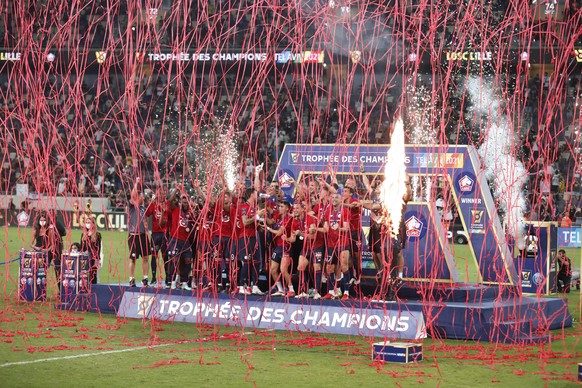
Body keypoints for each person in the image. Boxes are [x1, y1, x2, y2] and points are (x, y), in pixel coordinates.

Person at [166, 186, 196, 290]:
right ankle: (173, 282)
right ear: (180, 202)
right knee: (175, 260)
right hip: (175, 239)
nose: (185, 204)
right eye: (183, 202)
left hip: (186, 241)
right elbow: (169, 201)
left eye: (187, 202)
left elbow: (195, 222)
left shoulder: (190, 213)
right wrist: (176, 190)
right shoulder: (176, 209)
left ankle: (184, 283)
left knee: (188, 260)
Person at [322, 192, 351, 300]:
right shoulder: (327, 211)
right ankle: (331, 291)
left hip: (343, 243)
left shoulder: (345, 211)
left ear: (340, 199)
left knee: (344, 266)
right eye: (332, 197)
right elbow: (325, 228)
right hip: (330, 244)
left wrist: (339, 228)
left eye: (336, 197)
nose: (334, 199)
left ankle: (346, 292)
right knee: (329, 268)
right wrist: (315, 230)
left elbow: (346, 228)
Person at [264, 200, 295, 297]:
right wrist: (262, 214)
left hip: (286, 246)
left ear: (286, 208)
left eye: (282, 206)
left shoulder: (288, 218)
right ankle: (280, 289)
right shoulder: (278, 217)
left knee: (283, 269)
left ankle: (291, 289)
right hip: (278, 246)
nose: (280, 208)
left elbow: (280, 232)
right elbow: (270, 221)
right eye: (279, 206)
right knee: (273, 270)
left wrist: (268, 228)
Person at [235, 187, 263, 295]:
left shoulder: (255, 207)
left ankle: (254, 285)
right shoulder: (244, 207)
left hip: (254, 237)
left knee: (256, 262)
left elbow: (253, 222)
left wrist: (260, 225)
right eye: (256, 193)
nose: (258, 194)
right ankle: (242, 286)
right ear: (252, 194)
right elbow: (245, 222)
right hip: (245, 237)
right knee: (246, 262)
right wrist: (257, 216)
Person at [31, 211, 66, 292]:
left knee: (54, 270)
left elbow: (63, 233)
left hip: (53, 249)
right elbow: (64, 233)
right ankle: (40, 291)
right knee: (44, 269)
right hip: (50, 250)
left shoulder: (55, 224)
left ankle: (59, 291)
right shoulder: (48, 226)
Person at [127, 177, 152, 288]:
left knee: (146, 257)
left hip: (143, 235)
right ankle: (131, 279)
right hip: (133, 235)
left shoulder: (143, 208)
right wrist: (136, 183)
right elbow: (133, 195)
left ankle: (145, 278)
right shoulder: (132, 205)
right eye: (141, 196)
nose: (143, 197)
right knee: (133, 259)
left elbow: (145, 221)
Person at [145, 191, 169, 287]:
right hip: (155, 234)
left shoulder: (167, 205)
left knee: (165, 256)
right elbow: (147, 214)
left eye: (162, 194)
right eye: (159, 195)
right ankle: (154, 277)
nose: (161, 196)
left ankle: (168, 278)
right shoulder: (154, 205)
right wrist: (151, 202)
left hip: (164, 234)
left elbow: (166, 219)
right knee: (154, 256)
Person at [80, 216, 103, 284]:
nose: (87, 224)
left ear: (93, 223)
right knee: (85, 275)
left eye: (89, 222)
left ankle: (94, 289)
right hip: (85, 258)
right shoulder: (83, 234)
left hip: (93, 258)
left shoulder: (97, 235)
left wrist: (97, 260)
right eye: (86, 222)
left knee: (93, 275)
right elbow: (82, 247)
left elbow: (98, 248)